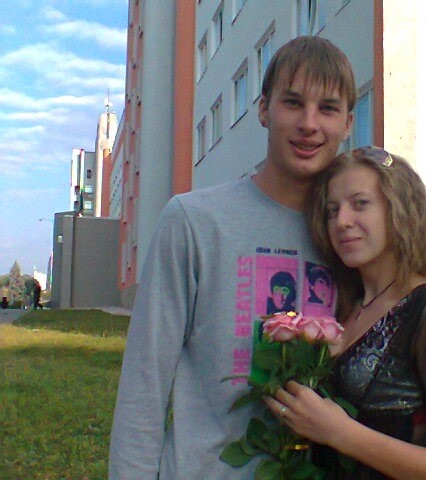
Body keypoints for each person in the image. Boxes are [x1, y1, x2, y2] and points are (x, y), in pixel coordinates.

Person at [108, 36, 354, 479]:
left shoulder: (350, 237)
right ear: (263, 110)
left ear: (349, 123)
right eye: (292, 103)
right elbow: (145, 381)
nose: (309, 124)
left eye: (328, 109)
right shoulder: (194, 220)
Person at [264, 147, 426, 479]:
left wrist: (341, 433)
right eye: (332, 210)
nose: (342, 221)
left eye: (360, 203)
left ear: (400, 212)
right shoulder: (342, 307)